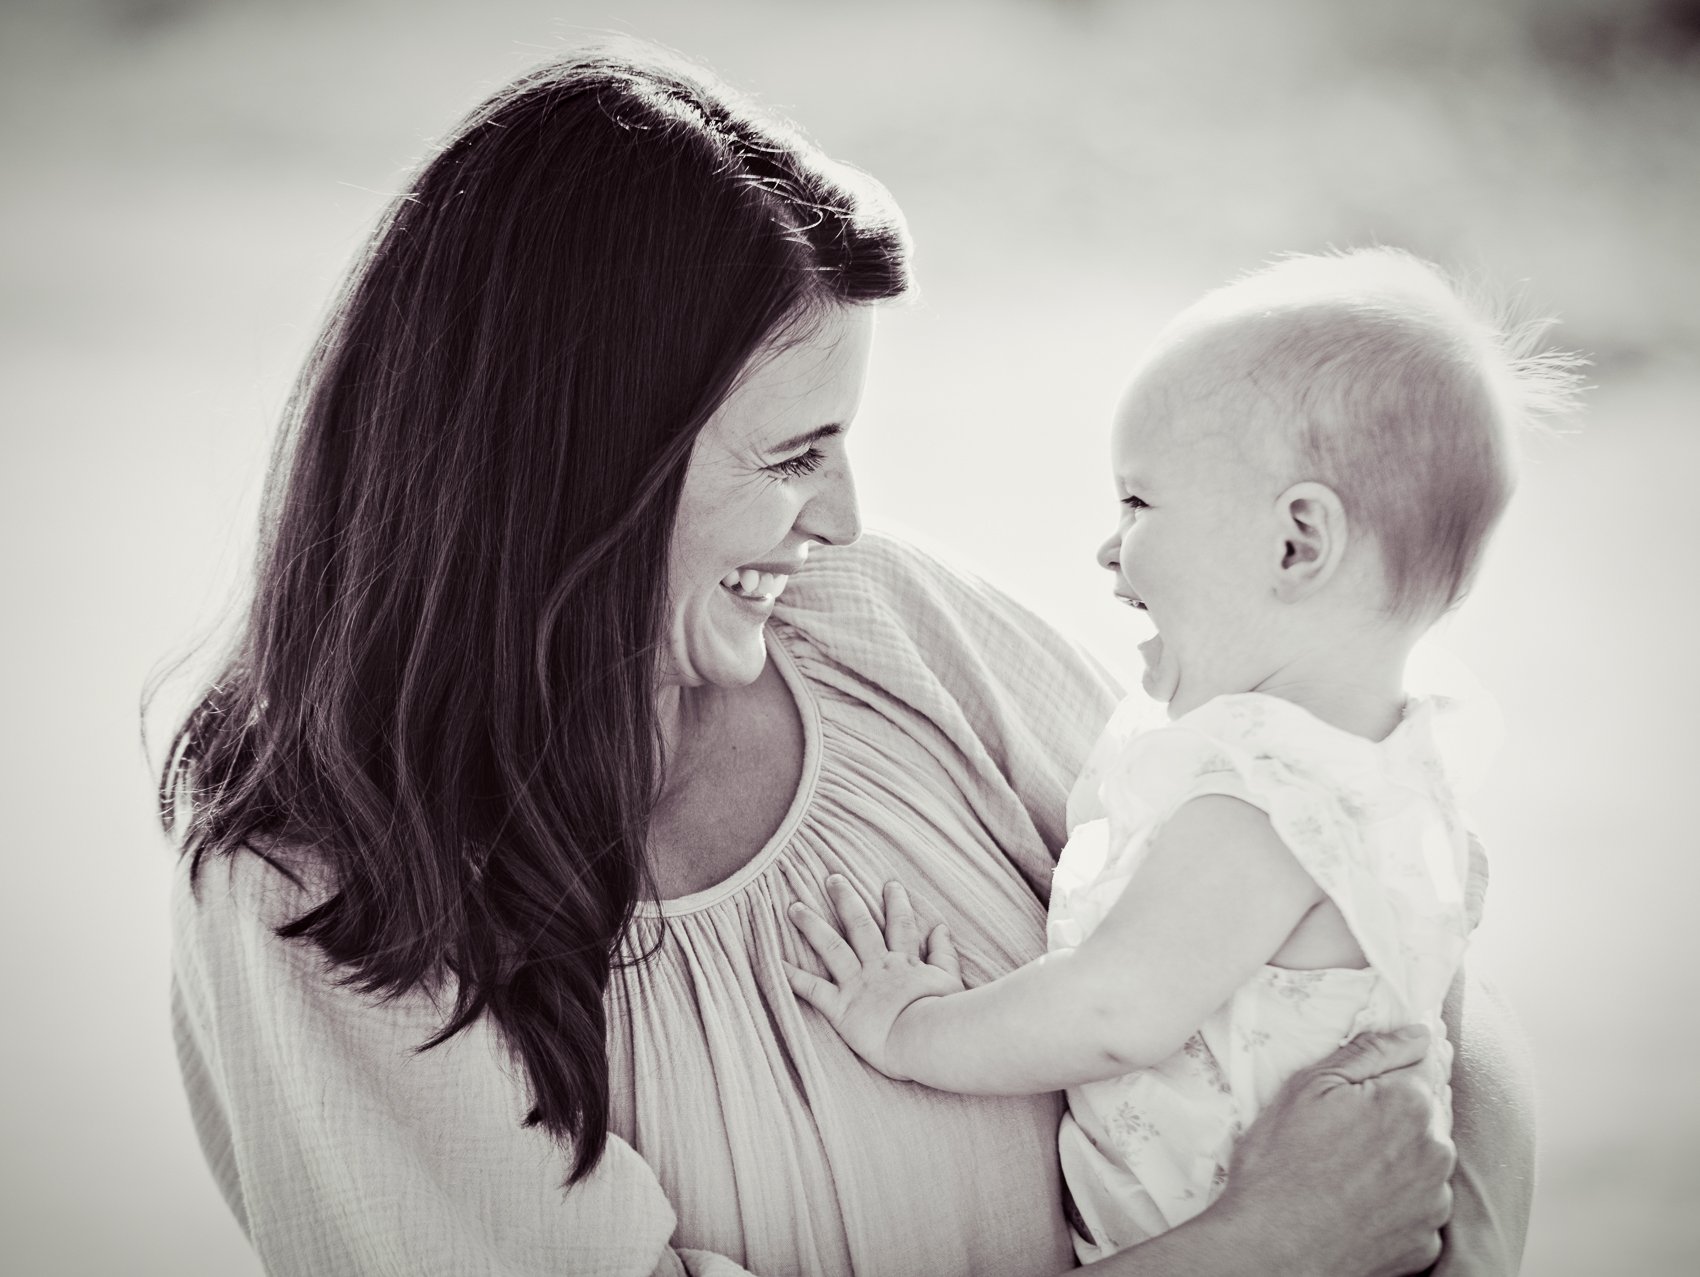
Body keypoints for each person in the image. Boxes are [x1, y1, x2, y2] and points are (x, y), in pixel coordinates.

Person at [161, 45, 1533, 1277]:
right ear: (575, 475)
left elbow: (1361, 964)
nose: (846, 518)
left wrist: (1446, 1223)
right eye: (793, 456)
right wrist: (1267, 1248)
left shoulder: (884, 624)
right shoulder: (318, 887)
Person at [785, 249, 1575, 1263]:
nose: (1107, 550)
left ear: (1296, 541)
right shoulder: (1402, 768)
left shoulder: (1262, 801)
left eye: (1138, 504)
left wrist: (914, 1028)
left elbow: (1116, 1006)